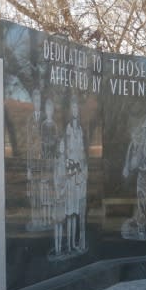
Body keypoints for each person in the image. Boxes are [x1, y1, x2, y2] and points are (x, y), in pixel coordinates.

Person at [64, 95, 87, 252]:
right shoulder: (69, 128)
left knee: (80, 209)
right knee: (71, 210)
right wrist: (71, 168)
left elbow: (83, 151)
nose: (75, 111)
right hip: (71, 172)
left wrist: (83, 168)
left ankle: (80, 241)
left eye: (77, 108)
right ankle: (70, 243)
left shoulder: (80, 129)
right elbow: (66, 151)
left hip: (80, 173)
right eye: (73, 108)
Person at [40, 98, 59, 226]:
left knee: (53, 188)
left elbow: (56, 142)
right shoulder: (43, 125)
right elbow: (43, 143)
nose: (49, 112)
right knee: (45, 188)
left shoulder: (55, 126)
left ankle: (52, 218)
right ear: (45, 111)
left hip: (53, 160)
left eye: (51, 109)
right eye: (47, 109)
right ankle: (45, 218)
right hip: (45, 160)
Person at [26, 89, 43, 228]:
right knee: (33, 192)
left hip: (43, 163)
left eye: (39, 100)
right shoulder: (30, 120)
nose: (37, 103)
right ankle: (34, 219)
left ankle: (42, 220)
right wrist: (28, 168)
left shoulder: (45, 119)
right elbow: (28, 144)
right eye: (35, 100)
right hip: (33, 162)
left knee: (42, 192)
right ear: (33, 102)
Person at [53, 139, 66, 255]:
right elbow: (55, 177)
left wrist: (64, 190)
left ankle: (60, 248)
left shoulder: (66, 162)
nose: (62, 147)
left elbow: (67, 179)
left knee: (61, 223)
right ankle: (56, 247)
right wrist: (57, 191)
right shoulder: (57, 161)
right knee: (56, 223)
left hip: (63, 195)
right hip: (57, 195)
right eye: (60, 145)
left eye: (63, 145)